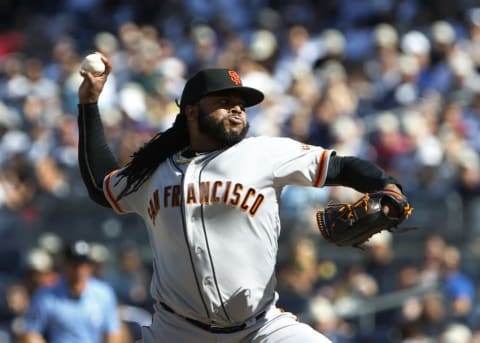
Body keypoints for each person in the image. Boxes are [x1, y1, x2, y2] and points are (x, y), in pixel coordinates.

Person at [77, 54, 404, 343]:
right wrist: (89, 105)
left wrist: (386, 186)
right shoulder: (154, 171)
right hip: (176, 331)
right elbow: (101, 186)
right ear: (191, 110)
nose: (236, 107)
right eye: (223, 100)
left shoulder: (264, 153)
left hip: (260, 328)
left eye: (241, 103)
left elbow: (340, 166)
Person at [17, 240, 122, 343]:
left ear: (89, 266)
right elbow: (31, 333)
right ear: (65, 265)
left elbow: (113, 332)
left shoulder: (103, 293)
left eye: (83, 264)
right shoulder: (46, 296)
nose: (79, 269)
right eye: (74, 264)